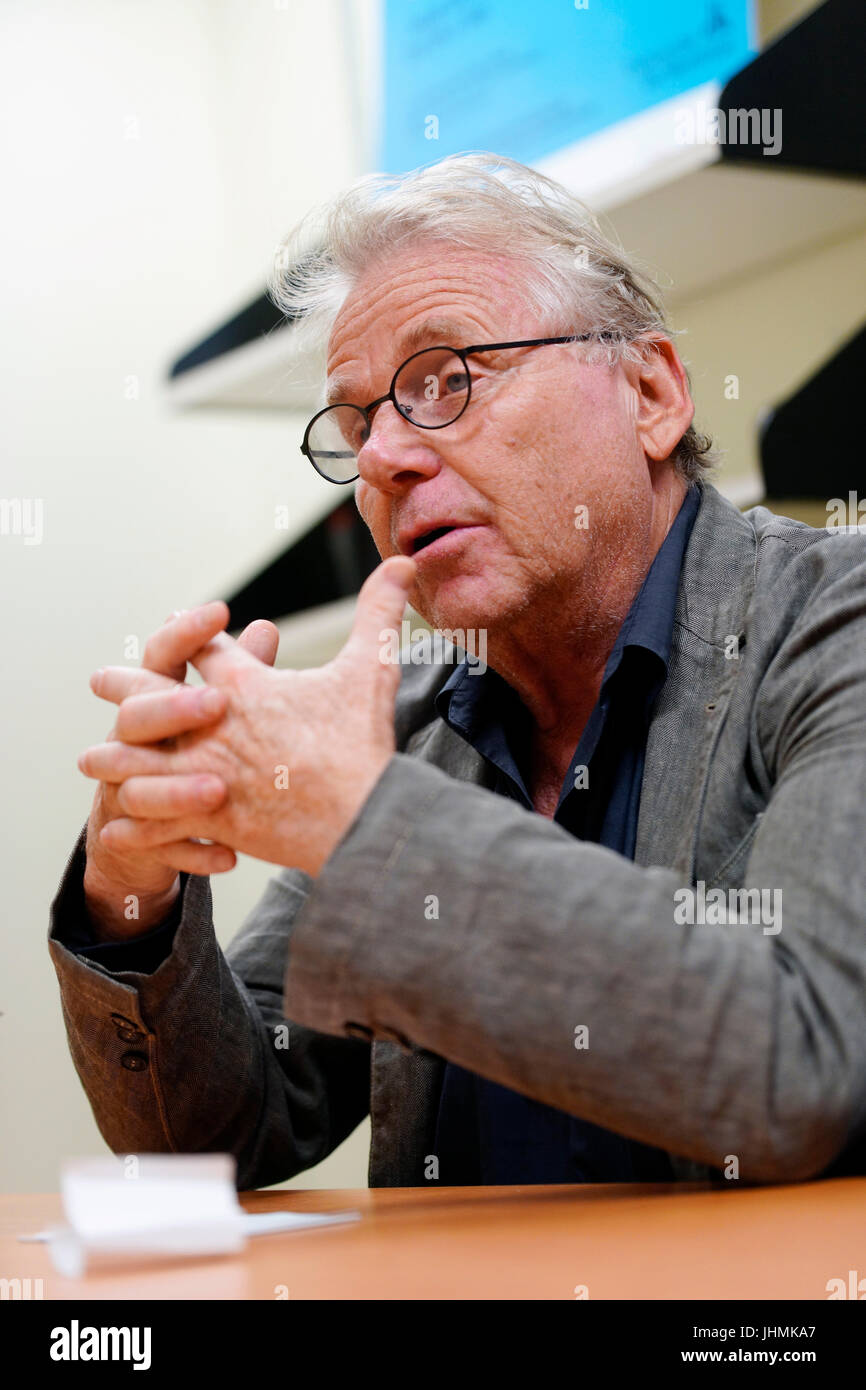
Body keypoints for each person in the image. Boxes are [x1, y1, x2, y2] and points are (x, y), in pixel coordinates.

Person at [49, 153, 866, 1189]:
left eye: (446, 379)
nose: (386, 455)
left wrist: (357, 816)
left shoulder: (836, 616)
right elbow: (229, 1131)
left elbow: (807, 1068)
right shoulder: (405, 719)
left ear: (650, 393)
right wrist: (134, 901)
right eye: (357, 422)